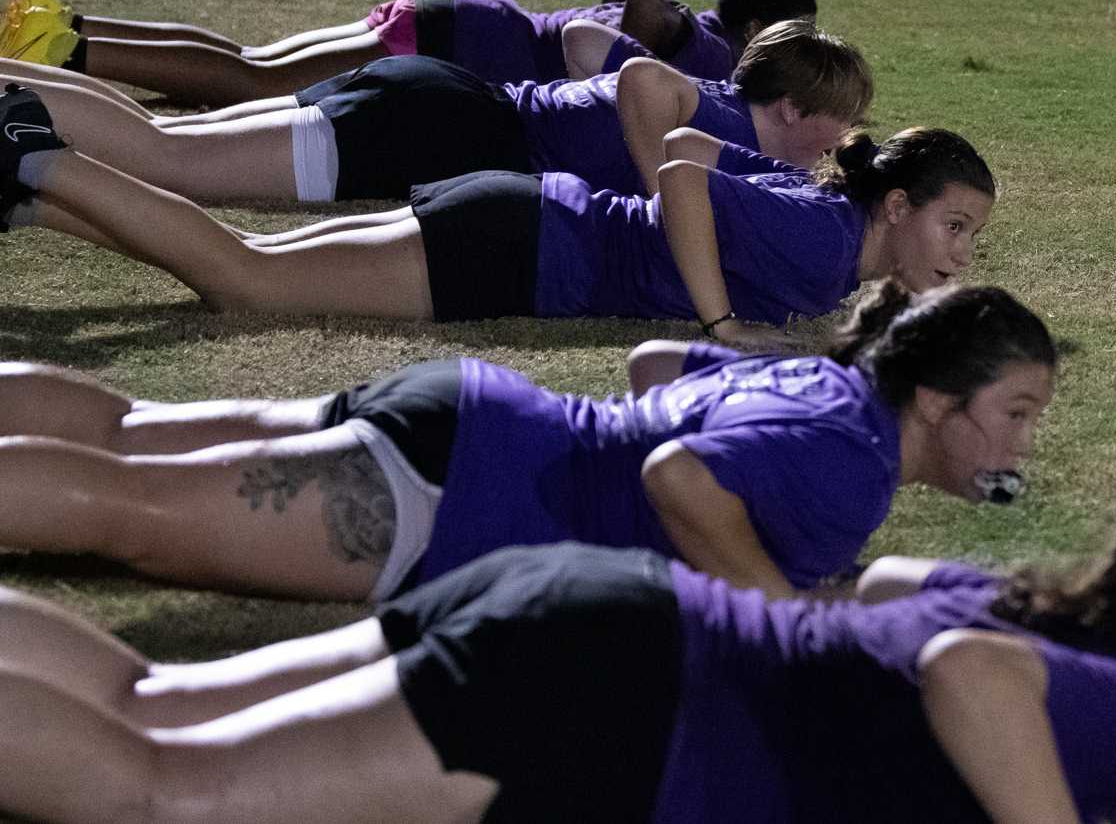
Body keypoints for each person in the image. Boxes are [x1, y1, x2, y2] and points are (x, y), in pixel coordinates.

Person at [0, 491, 1116, 824]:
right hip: (609, 691)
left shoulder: (1065, 614)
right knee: (153, 792)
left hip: (602, 610)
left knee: (148, 701)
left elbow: (887, 583)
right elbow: (965, 676)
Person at [0, 280, 1054, 602]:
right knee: (125, 510)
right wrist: (781, 612)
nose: (1020, 445)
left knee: (127, 435)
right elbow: (677, 474)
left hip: (464, 416)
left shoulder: (830, 383)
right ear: (935, 401)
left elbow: (651, 367)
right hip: (453, 494)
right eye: (1014, 412)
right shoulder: (855, 466)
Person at [1, 89, 993, 327]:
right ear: (895, 206)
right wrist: (719, 317)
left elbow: (689, 144)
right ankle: (34, 158)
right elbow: (682, 175)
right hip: (520, 247)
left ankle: (29, 199)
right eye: (953, 227)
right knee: (248, 280)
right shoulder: (825, 242)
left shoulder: (824, 225)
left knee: (243, 260)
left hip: (520, 218)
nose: (958, 256)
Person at [0, 18, 870, 204]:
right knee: (170, 161)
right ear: (793, 108)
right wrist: (658, 192)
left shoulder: (733, 116)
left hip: (433, 103)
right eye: (841, 120)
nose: (844, 139)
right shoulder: (718, 116)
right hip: (438, 123)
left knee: (169, 140)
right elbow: (642, 84)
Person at [0, 0, 814, 105]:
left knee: (252, 62)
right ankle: (60, 50)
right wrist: (656, 11)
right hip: (467, 42)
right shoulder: (709, 49)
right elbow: (638, 8)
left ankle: (61, 26)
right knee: (253, 82)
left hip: (462, 14)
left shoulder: (705, 33)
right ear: (754, 26)